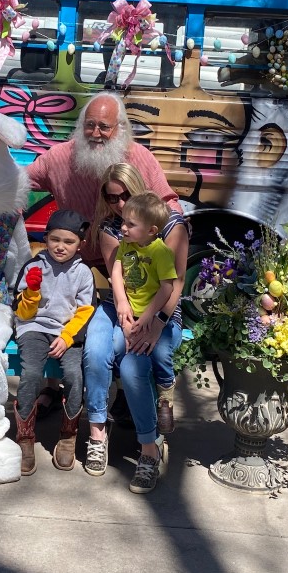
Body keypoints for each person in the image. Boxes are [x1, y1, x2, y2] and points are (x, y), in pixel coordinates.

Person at [26, 90, 183, 420]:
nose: (95, 133)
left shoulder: (139, 158)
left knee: (117, 335)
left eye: (104, 127)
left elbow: (167, 203)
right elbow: (21, 179)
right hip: (79, 258)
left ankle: (129, 396)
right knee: (58, 304)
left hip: (127, 260)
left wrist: (168, 233)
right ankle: (55, 388)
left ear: (120, 128)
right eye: (90, 124)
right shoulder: (60, 157)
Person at [83, 162, 188, 480]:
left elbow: (175, 283)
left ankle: (150, 447)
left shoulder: (169, 226)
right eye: (112, 198)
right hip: (120, 307)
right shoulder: (113, 228)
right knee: (96, 353)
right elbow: (117, 277)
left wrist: (155, 324)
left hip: (160, 311)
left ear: (138, 188)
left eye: (125, 195)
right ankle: (98, 435)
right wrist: (125, 317)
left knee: (133, 366)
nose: (119, 204)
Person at [12, 209, 95, 474]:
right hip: (34, 327)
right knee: (32, 375)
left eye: (68, 242)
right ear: (46, 238)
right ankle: (25, 437)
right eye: (55, 239)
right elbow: (21, 312)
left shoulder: (83, 273)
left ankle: (68, 435)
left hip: (66, 332)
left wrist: (67, 337)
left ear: (79, 244)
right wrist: (32, 293)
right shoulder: (33, 266)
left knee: (73, 375)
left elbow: (85, 311)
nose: (60, 246)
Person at [107, 192, 180, 494]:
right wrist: (122, 301)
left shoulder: (161, 250)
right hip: (131, 317)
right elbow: (116, 270)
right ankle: (112, 416)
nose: (123, 228)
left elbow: (168, 287)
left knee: (135, 365)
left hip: (155, 320)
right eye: (123, 223)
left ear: (151, 230)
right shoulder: (126, 245)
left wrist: (150, 317)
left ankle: (150, 447)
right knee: (109, 352)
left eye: (130, 224)